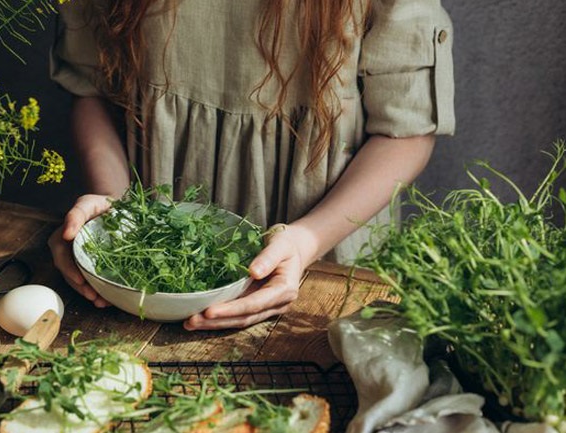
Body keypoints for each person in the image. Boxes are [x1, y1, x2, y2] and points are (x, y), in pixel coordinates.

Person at [47, 0, 455, 330]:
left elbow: (405, 130)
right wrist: (118, 217)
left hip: (324, 251)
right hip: (149, 264)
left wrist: (305, 241)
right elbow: (92, 90)